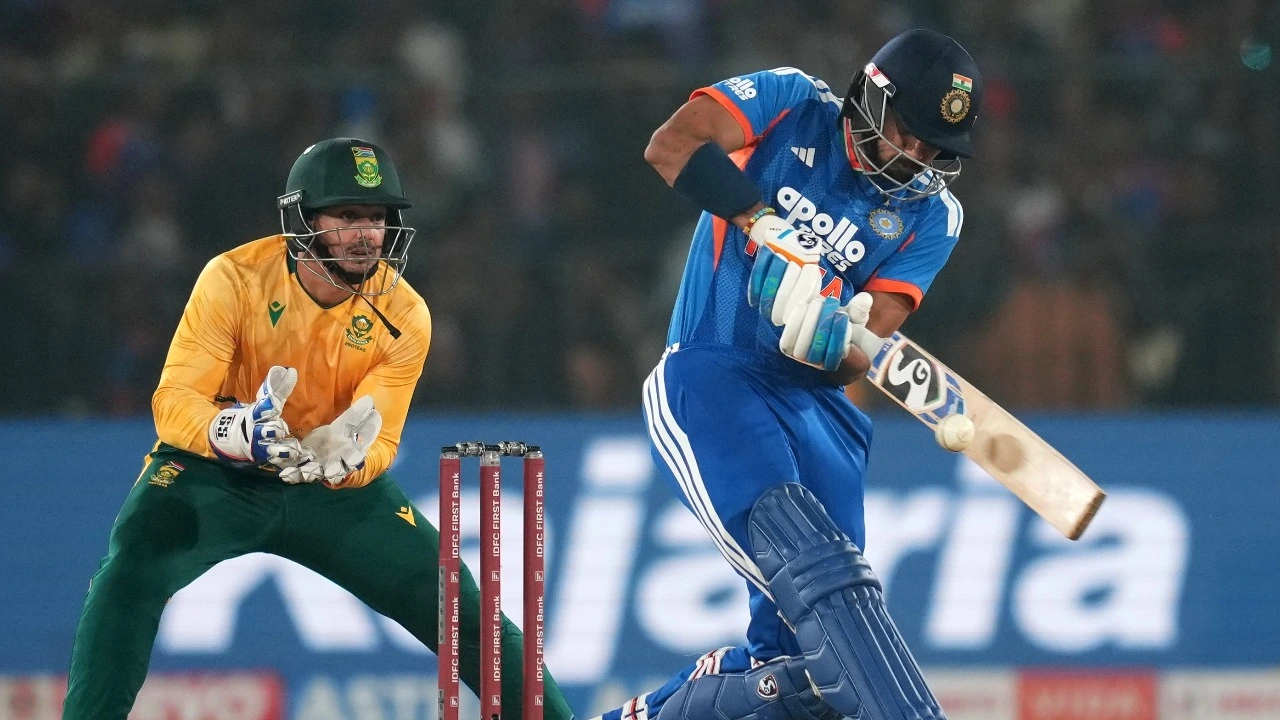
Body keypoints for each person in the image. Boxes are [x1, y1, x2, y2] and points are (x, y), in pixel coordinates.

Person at [62, 137, 576, 720]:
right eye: (348, 216)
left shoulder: (404, 313)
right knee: (128, 574)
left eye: (377, 218)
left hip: (330, 488)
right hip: (215, 473)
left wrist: (351, 458)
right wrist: (233, 432)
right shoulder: (234, 279)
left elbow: (381, 438)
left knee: (463, 612)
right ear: (303, 219)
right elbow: (174, 402)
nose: (367, 235)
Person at [602, 29, 982, 720]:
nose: (916, 157)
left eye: (934, 149)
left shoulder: (934, 214)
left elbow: (863, 351)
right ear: (872, 96)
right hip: (714, 374)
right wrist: (761, 221)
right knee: (829, 603)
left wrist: (832, 339)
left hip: (821, 417)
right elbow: (672, 145)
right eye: (908, 132)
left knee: (810, 674)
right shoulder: (792, 102)